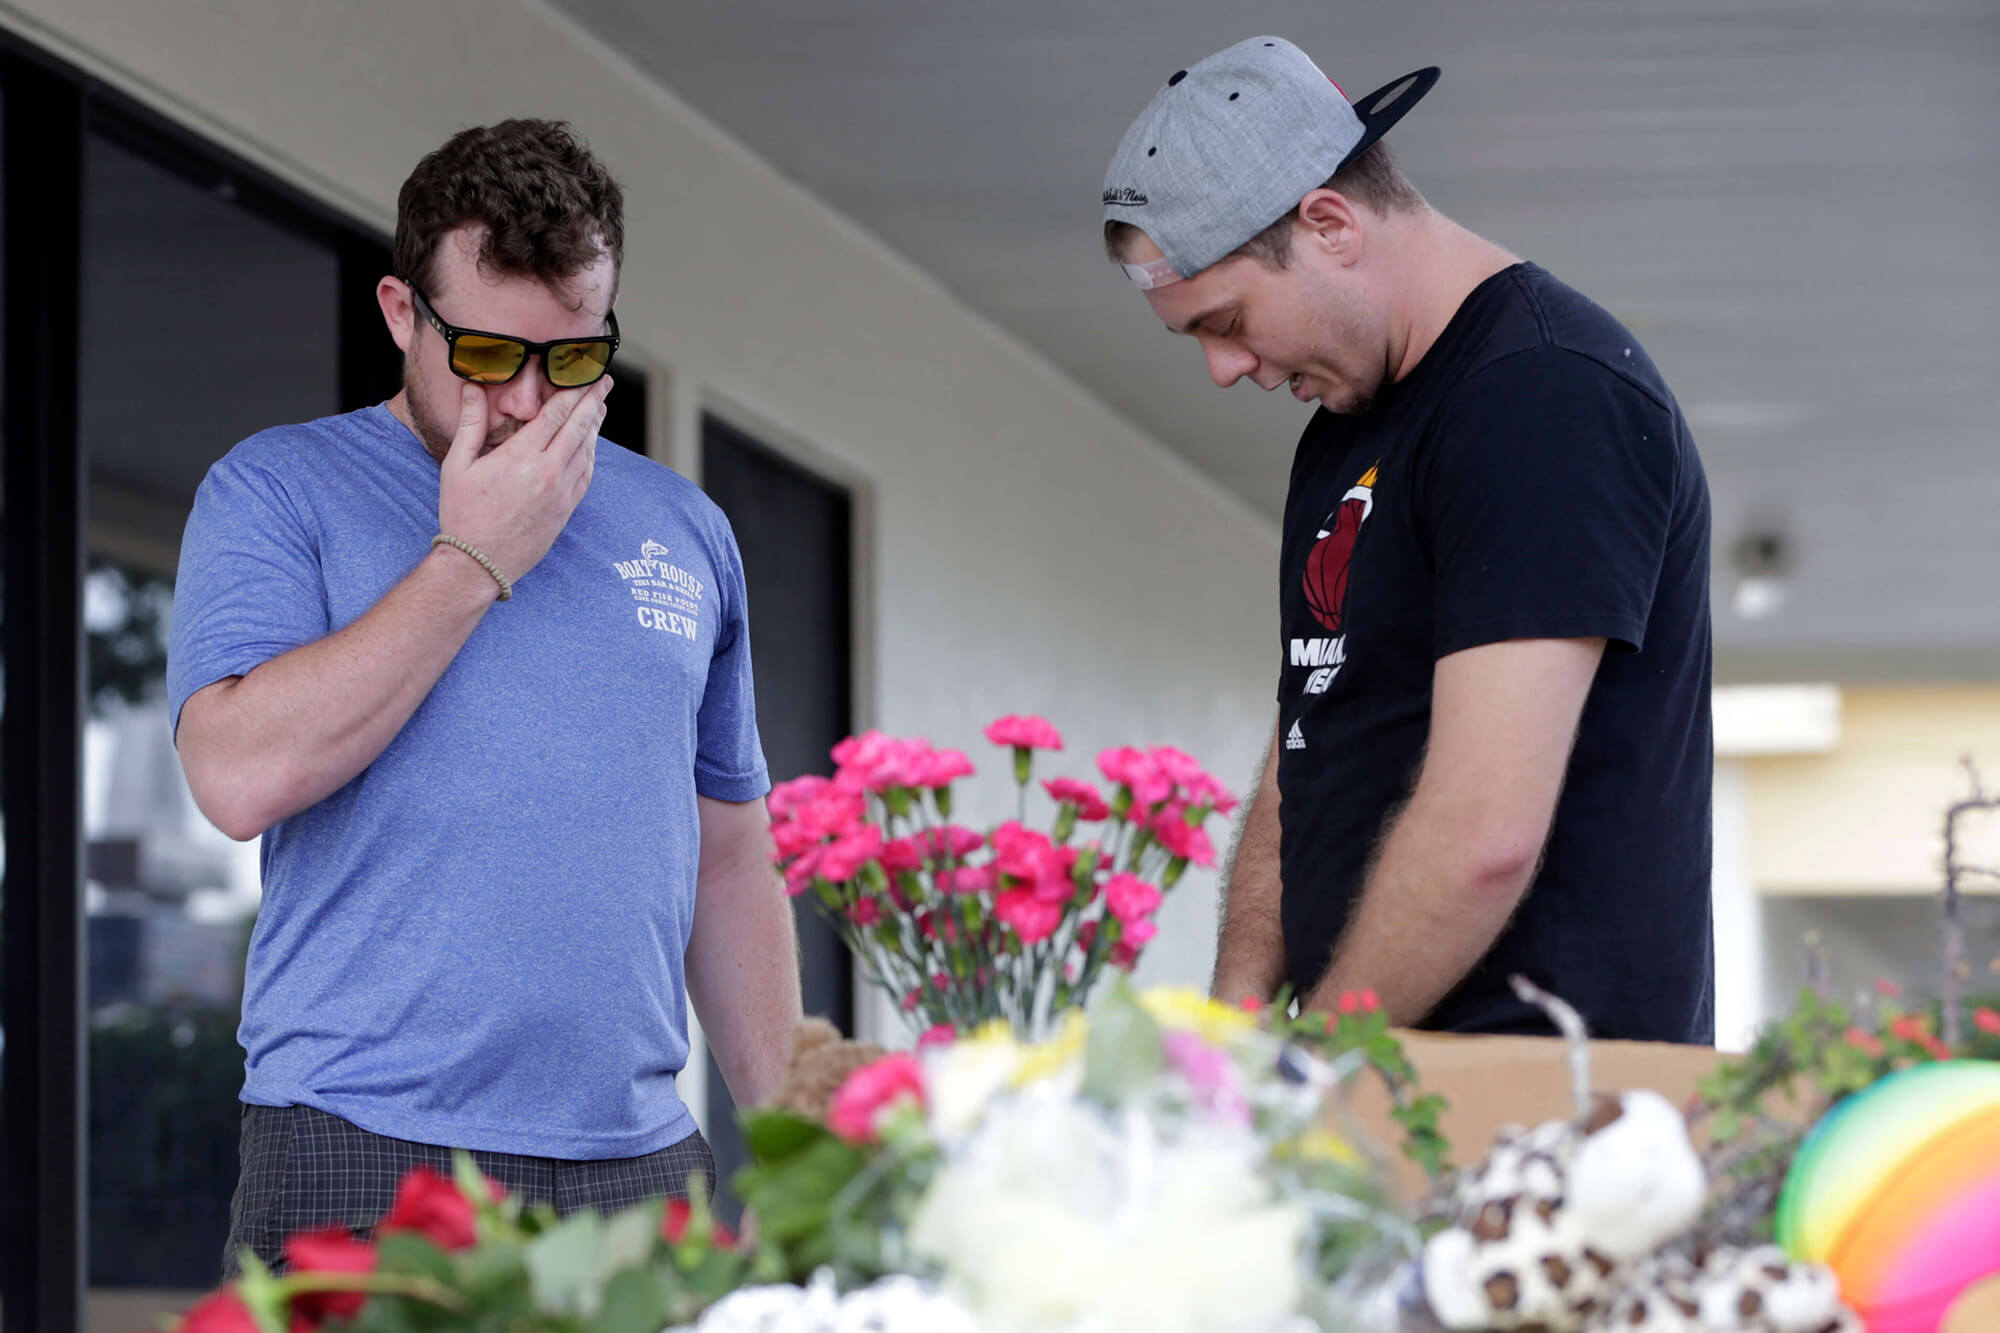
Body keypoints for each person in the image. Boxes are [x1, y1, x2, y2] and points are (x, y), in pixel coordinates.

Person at [168, 119, 802, 1275]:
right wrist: (469, 560)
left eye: (568, 361)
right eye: (486, 356)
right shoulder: (277, 489)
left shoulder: (685, 530)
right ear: (403, 313)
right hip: (361, 1137)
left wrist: (788, 1138)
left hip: (640, 1157)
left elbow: (727, 858)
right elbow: (235, 775)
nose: (521, 404)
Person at [1101, 38, 1713, 1042]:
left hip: (1542, 1110)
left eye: (1227, 319)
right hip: (1381, 1079)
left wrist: (1314, 1063)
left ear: (1327, 222)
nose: (1222, 369)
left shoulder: (1542, 395)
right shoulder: (1345, 430)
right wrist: (1238, 1028)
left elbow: (1483, 834)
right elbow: (1310, 736)